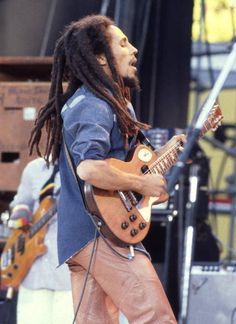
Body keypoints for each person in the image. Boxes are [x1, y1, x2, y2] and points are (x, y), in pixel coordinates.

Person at [29, 15, 185, 323]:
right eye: (123, 43)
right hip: (102, 234)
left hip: (83, 237)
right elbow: (90, 168)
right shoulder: (95, 104)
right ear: (100, 58)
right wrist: (143, 186)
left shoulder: (106, 102)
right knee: (157, 318)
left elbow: (125, 167)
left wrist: (163, 163)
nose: (135, 49)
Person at [9, 158, 74, 324]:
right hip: (33, 273)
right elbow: (21, 202)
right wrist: (20, 215)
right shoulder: (34, 168)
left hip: (68, 276)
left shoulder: (85, 169)